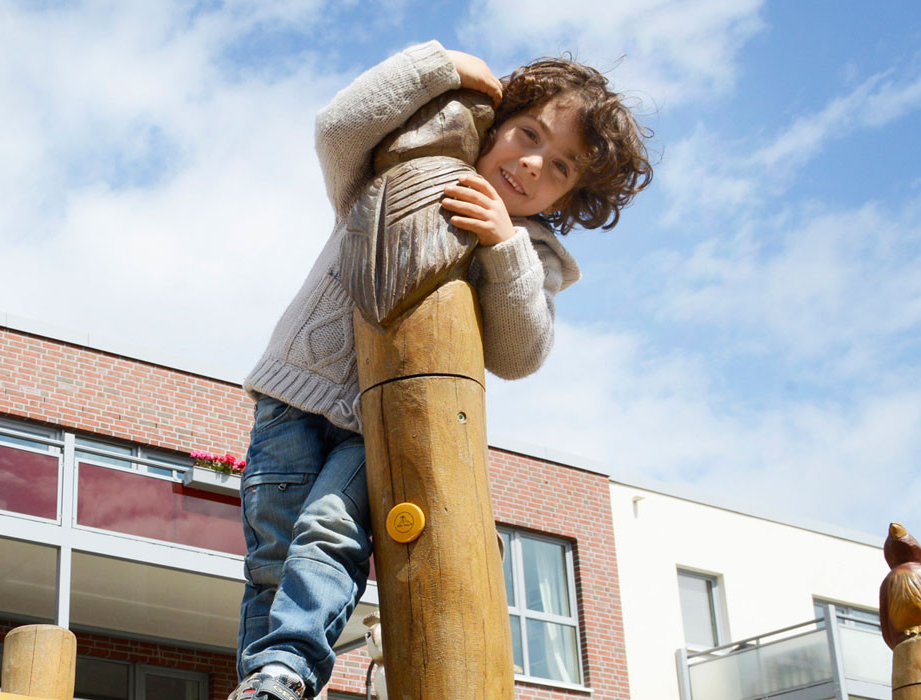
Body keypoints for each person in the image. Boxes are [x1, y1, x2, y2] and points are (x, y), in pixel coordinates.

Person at [233, 40, 652, 700]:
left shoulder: (530, 250)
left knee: (329, 531)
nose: (532, 162)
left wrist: (504, 246)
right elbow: (336, 125)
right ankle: (263, 682)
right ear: (497, 121)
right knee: (271, 555)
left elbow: (522, 353)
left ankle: (288, 670)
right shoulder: (393, 169)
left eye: (561, 166)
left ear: (569, 194)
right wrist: (441, 66)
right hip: (291, 396)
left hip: (384, 425)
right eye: (527, 132)